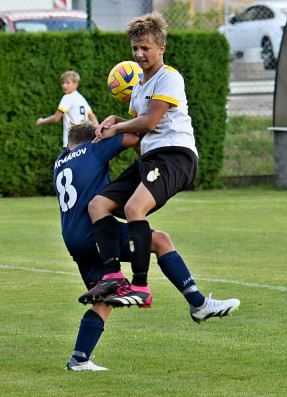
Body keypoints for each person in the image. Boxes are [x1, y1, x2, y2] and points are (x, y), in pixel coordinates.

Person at [55, 121, 240, 371]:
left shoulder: (60, 160)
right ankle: (199, 303)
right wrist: (118, 127)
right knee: (161, 241)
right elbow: (133, 137)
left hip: (73, 237)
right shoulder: (93, 150)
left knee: (106, 298)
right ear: (94, 140)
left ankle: (79, 359)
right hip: (95, 232)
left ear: (68, 145)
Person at [86, 12, 200, 308]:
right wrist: (116, 119)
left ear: (161, 47)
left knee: (135, 207)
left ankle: (140, 286)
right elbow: (139, 138)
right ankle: (113, 274)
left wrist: (117, 126)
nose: (139, 54)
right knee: (98, 204)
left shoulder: (169, 78)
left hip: (176, 156)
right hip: (151, 160)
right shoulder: (138, 88)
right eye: (135, 48)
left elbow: (149, 123)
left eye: (145, 48)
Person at [36, 70, 98, 148]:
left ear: (76, 84)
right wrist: (97, 131)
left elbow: (56, 118)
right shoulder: (81, 98)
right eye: (63, 83)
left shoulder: (67, 97)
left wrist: (42, 121)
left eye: (68, 83)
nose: (64, 86)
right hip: (85, 140)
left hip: (72, 141)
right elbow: (92, 116)